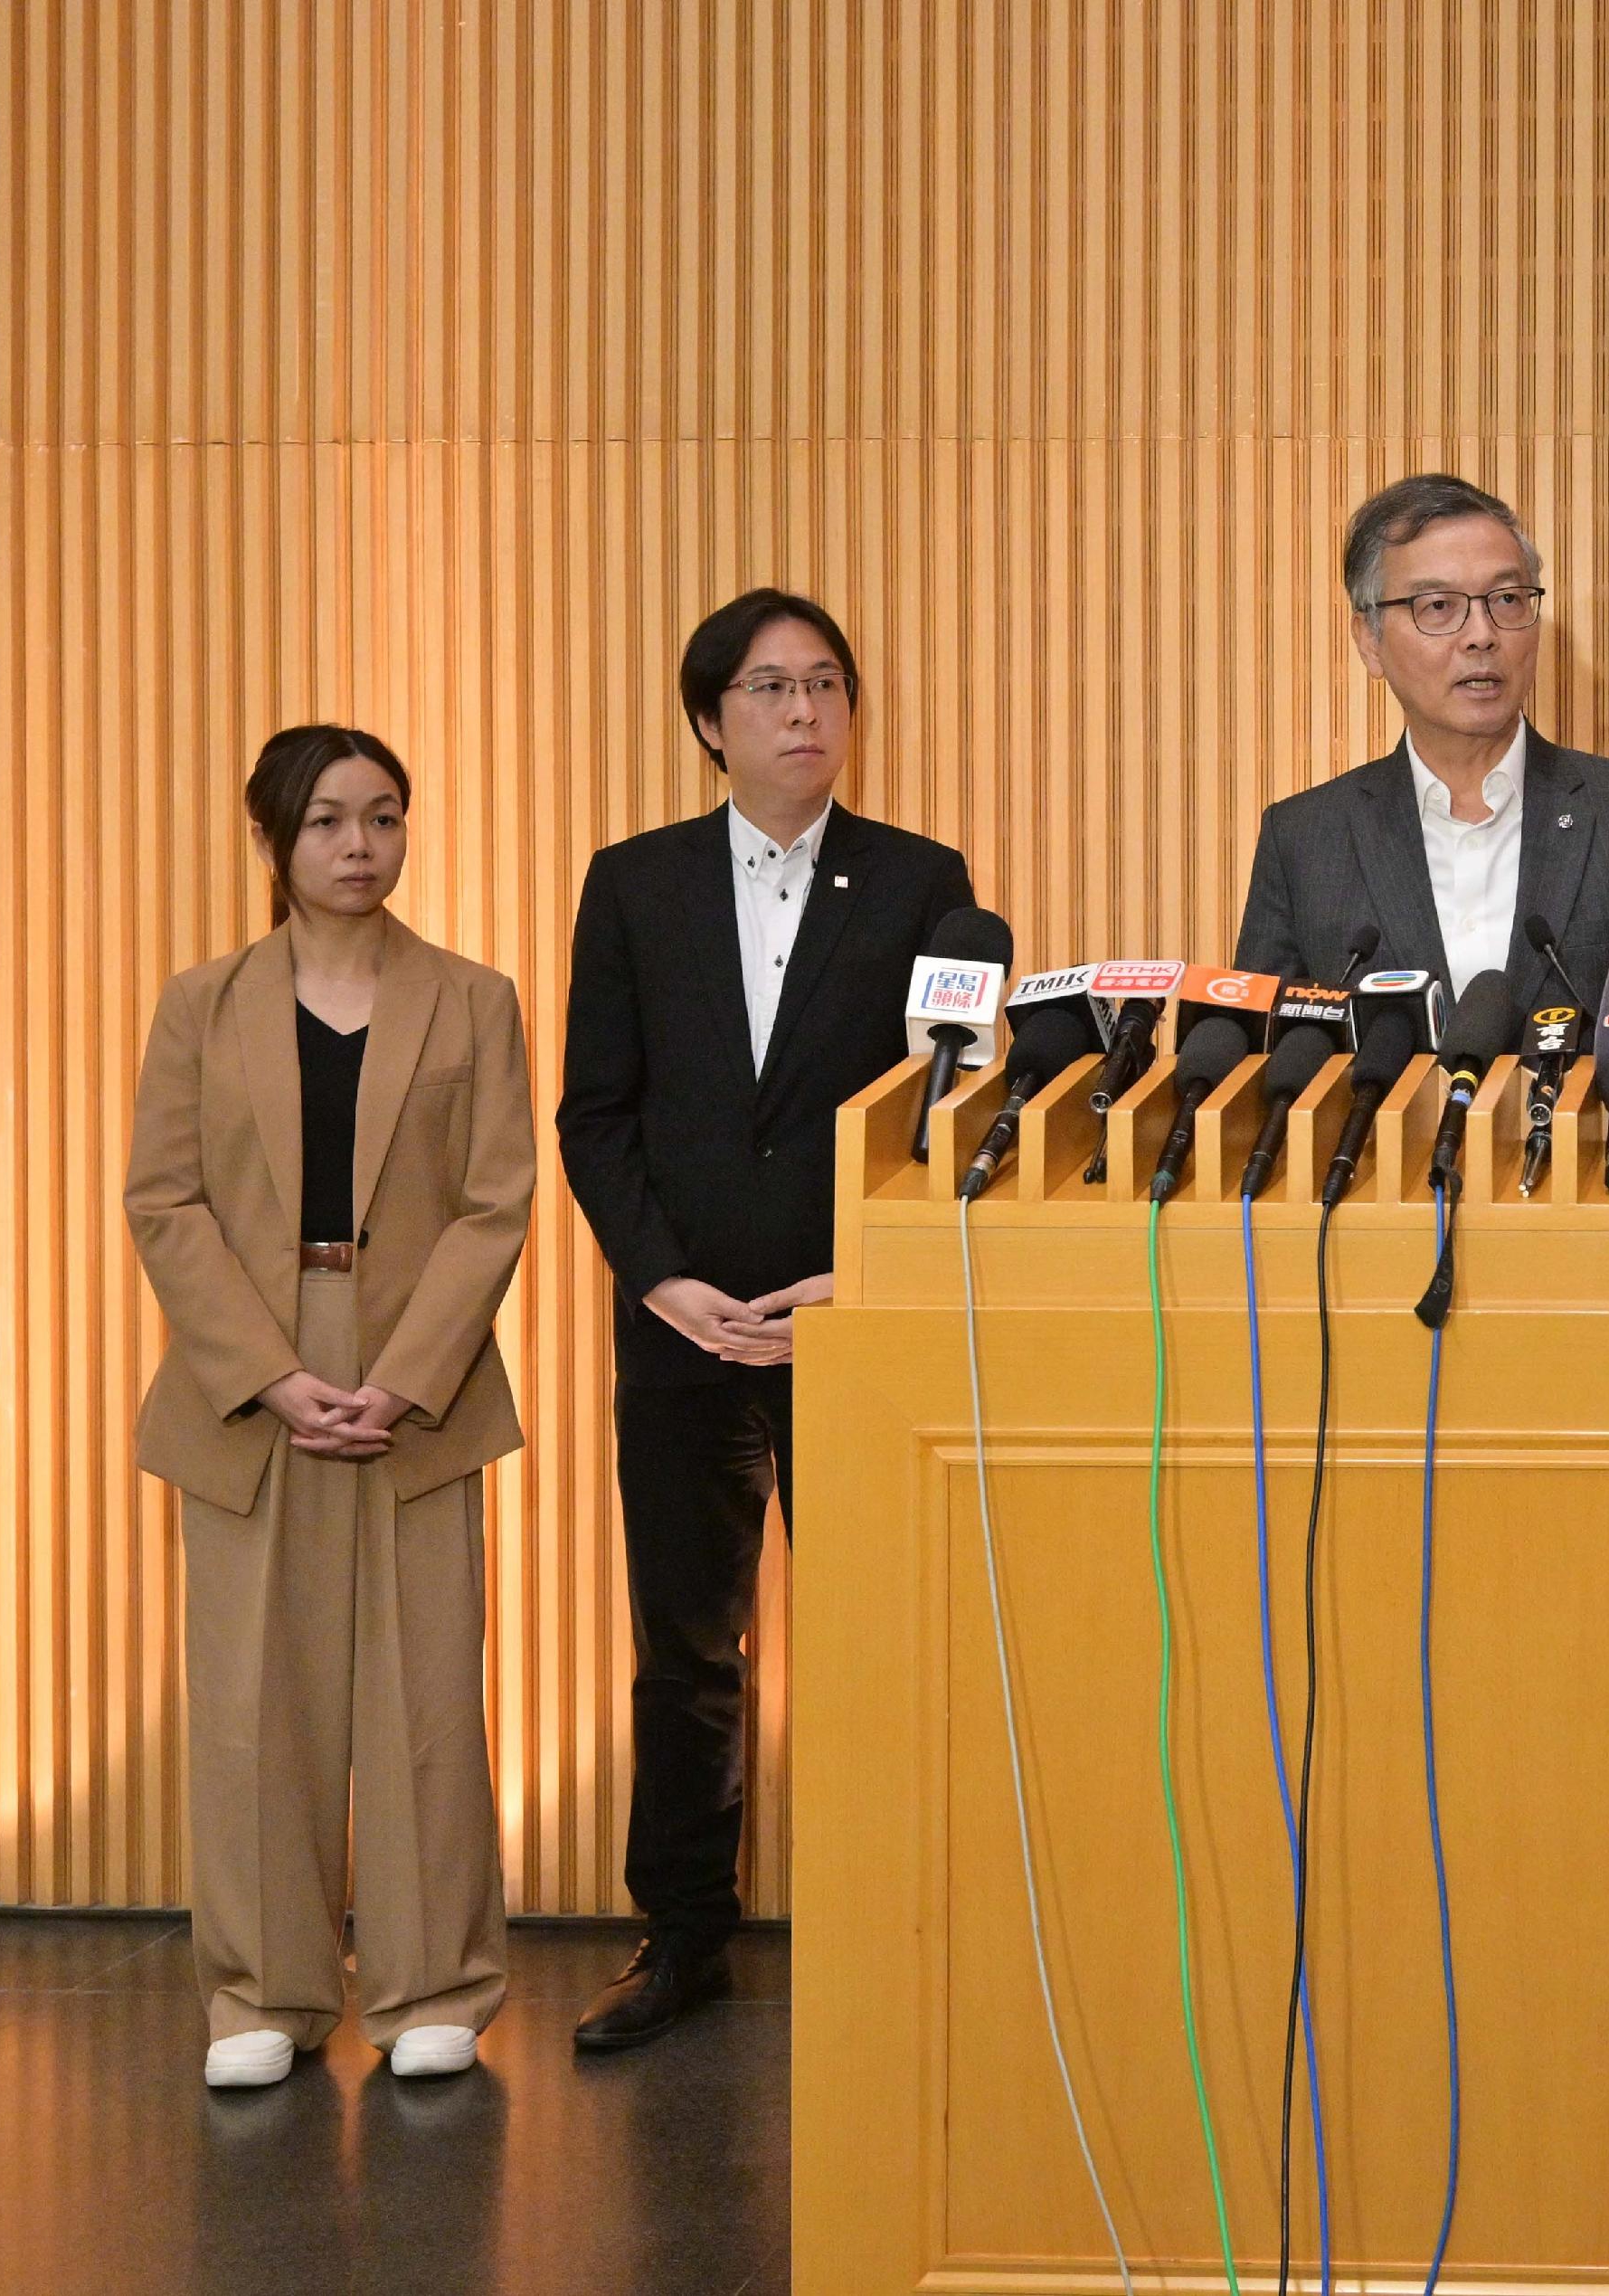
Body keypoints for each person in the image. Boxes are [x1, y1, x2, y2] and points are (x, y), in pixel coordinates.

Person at [556, 588, 979, 2048]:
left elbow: (953, 1109)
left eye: (827, 685)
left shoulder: (929, 884)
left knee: (880, 1638)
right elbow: (595, 1113)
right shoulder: (632, 882)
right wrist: (660, 1278)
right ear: (707, 722)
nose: (805, 712)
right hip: (678, 1327)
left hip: (847, 1328)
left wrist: (857, 1279)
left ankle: (896, 1931)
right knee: (687, 1649)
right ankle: (680, 1938)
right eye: (770, 688)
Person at [125, 724, 535, 2090]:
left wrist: (404, 1375)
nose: (361, 847)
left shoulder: (474, 997)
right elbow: (164, 1200)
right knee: (250, 1694)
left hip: (419, 1363)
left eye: (385, 818)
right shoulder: (201, 1002)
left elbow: (496, 1202)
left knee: (426, 1688)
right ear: (273, 843)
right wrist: (269, 1368)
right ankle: (260, 1991)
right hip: (249, 1366)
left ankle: (436, 1985)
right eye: (328, 824)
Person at [1232, 472, 1609, 1013]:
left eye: (1507, 599)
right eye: (1438, 606)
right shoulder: (1304, 840)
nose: (1481, 634)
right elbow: (1261, 1059)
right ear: (1370, 642)